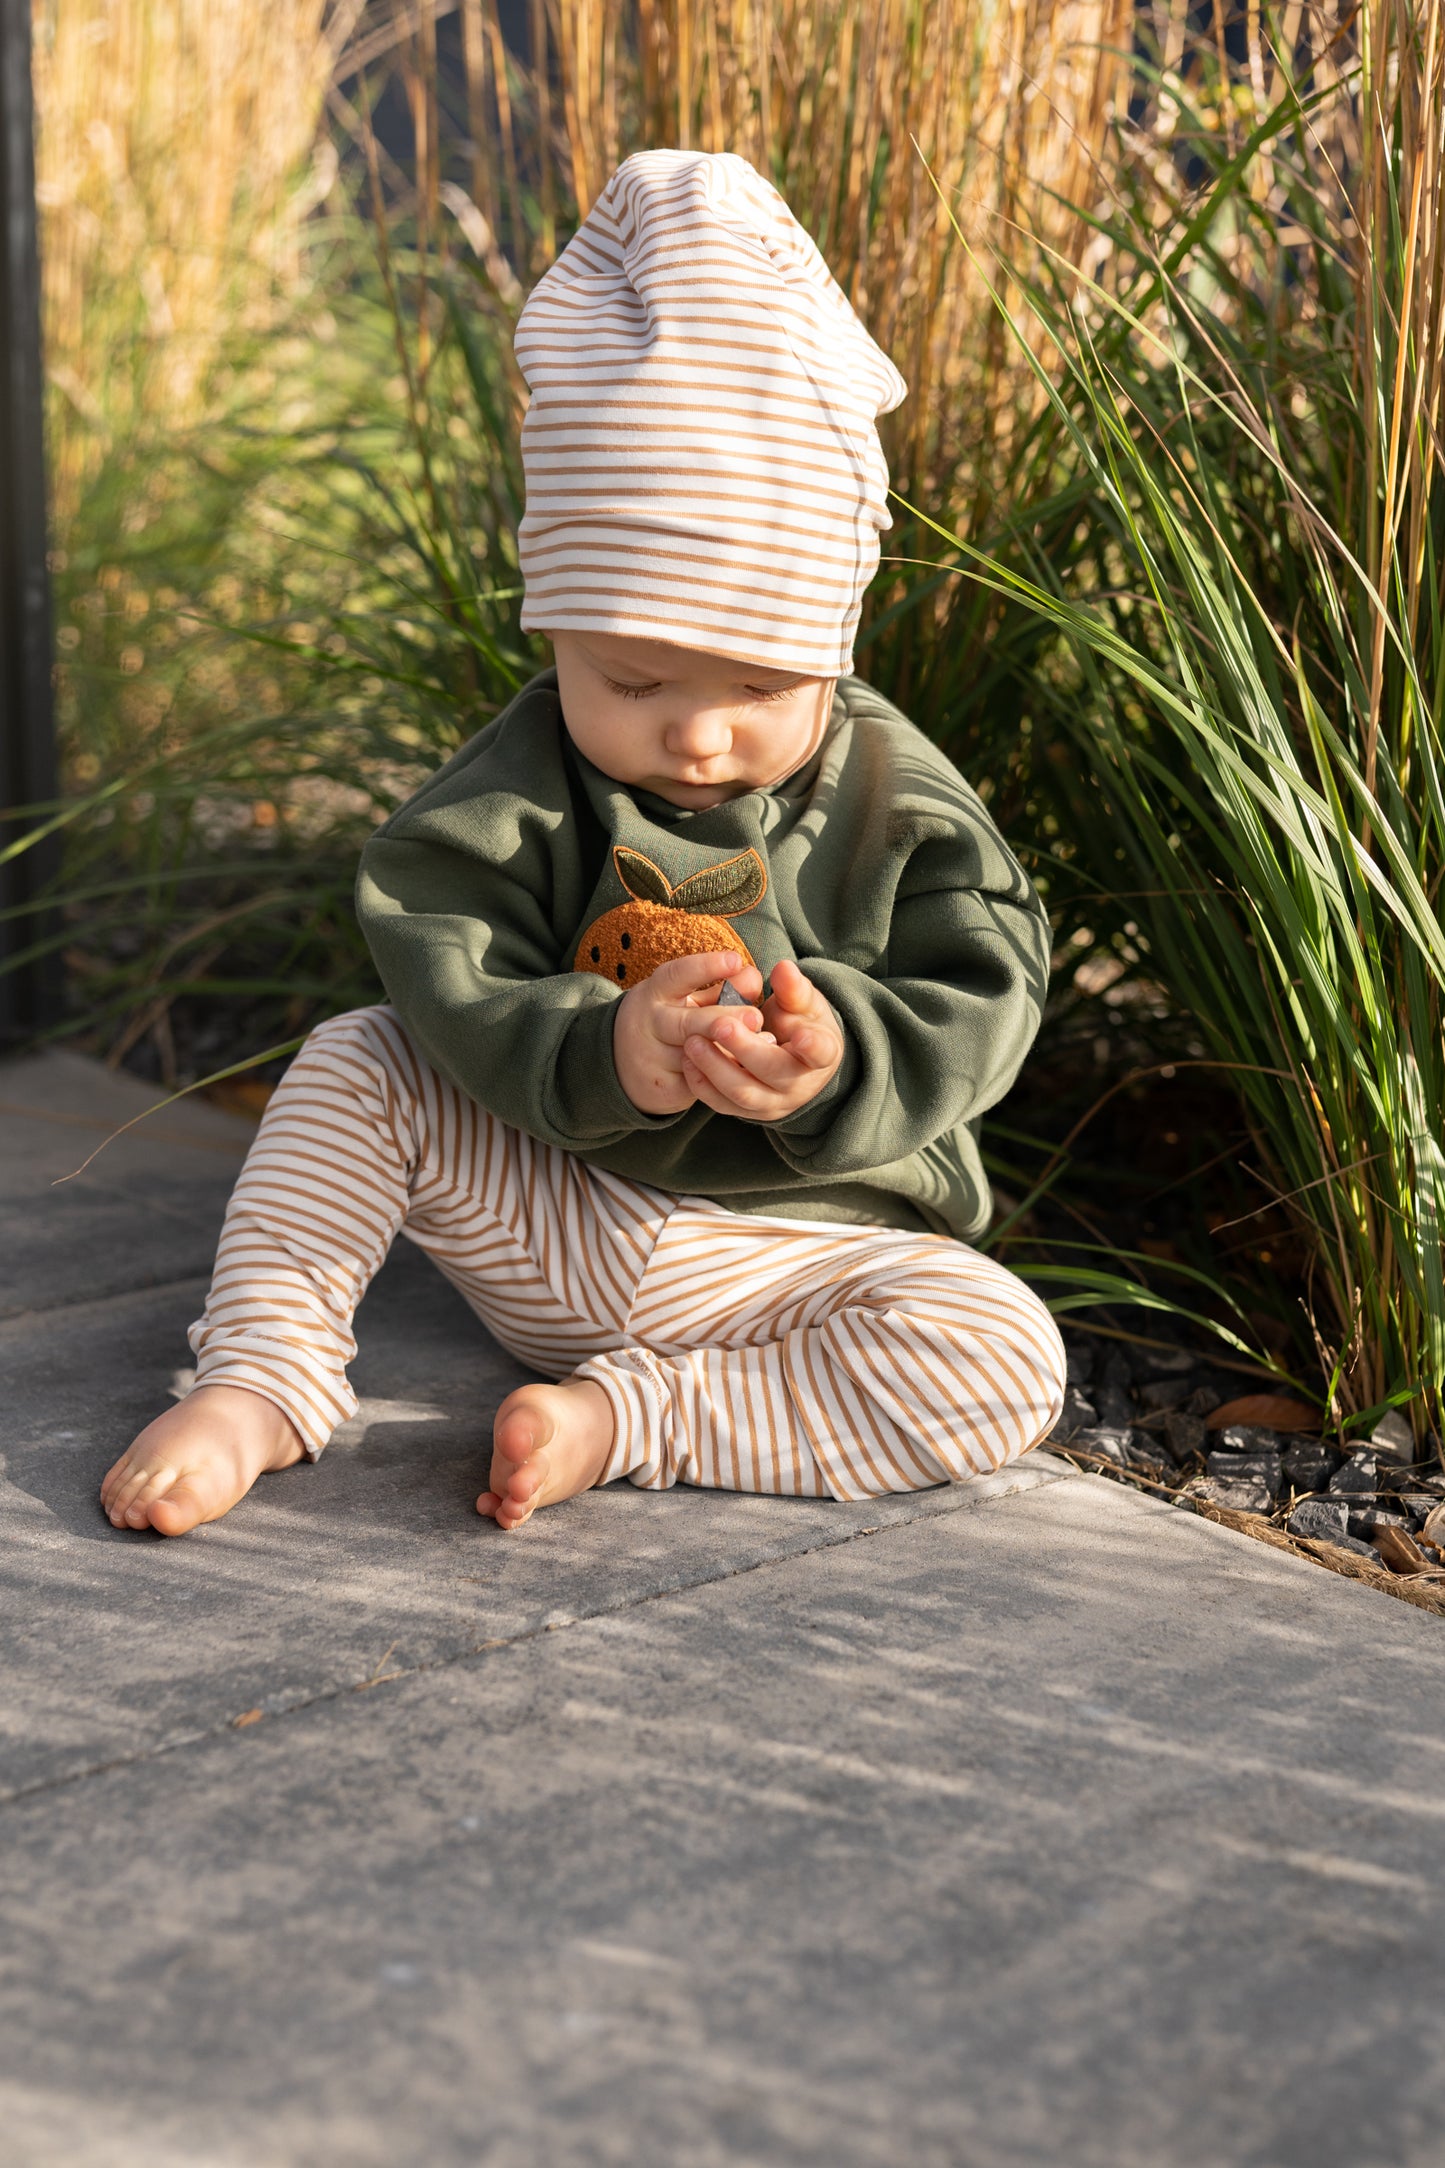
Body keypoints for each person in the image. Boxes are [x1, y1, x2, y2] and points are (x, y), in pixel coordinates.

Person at [99, 149, 1065, 1538]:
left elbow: (986, 985)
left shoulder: (891, 795)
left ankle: (627, 1419)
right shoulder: (527, 772)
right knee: (356, 1058)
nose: (694, 737)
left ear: (831, 650)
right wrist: (601, 1049)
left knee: (1002, 1354)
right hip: (557, 1210)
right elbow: (436, 937)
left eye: (755, 688)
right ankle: (264, 1377)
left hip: (797, 1260)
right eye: (632, 681)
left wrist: (833, 1061)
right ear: (554, 632)